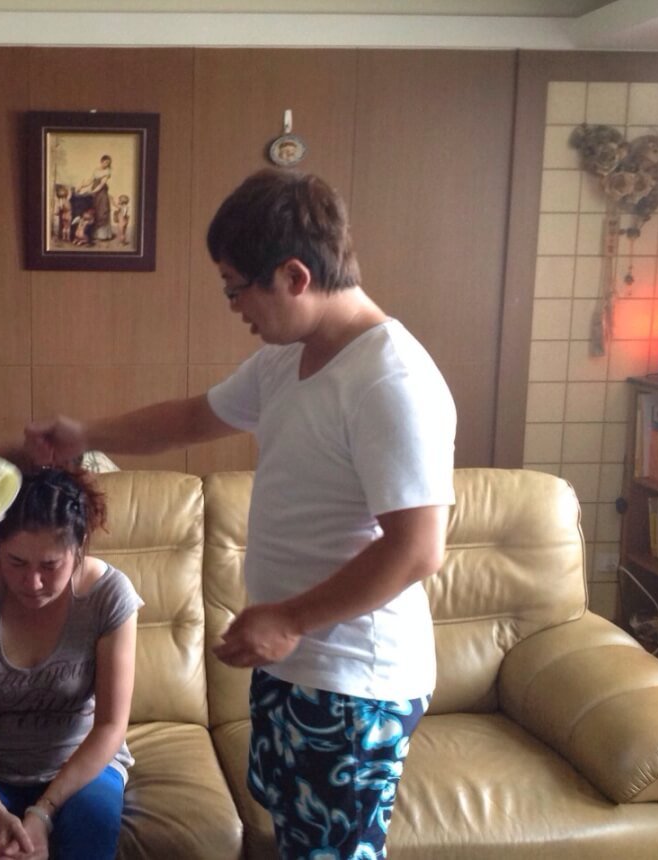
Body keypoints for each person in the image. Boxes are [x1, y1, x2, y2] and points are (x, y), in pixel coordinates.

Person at [25, 169, 456, 860]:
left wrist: (289, 620)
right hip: (293, 665)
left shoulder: (390, 379)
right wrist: (84, 435)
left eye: (235, 288)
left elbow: (418, 548)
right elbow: (191, 418)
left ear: (293, 276)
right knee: (291, 842)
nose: (233, 307)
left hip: (353, 682)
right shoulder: (288, 359)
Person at [0, 467, 142, 860]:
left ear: (79, 549)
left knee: (94, 822)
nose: (32, 582)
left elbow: (110, 725)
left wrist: (43, 812)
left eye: (50, 566)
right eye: (16, 562)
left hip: (78, 764)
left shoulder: (110, 596)